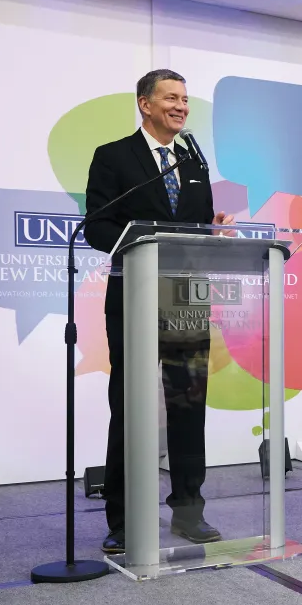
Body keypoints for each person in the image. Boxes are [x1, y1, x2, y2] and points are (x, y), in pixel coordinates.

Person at [84, 69, 236, 553]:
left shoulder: (193, 161)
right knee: (129, 405)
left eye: (186, 99)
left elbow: (191, 227)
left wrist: (211, 229)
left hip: (186, 293)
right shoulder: (112, 156)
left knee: (187, 405)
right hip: (134, 292)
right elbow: (97, 226)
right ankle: (124, 521)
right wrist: (142, 245)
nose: (181, 106)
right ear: (145, 104)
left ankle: (188, 510)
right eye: (171, 97)